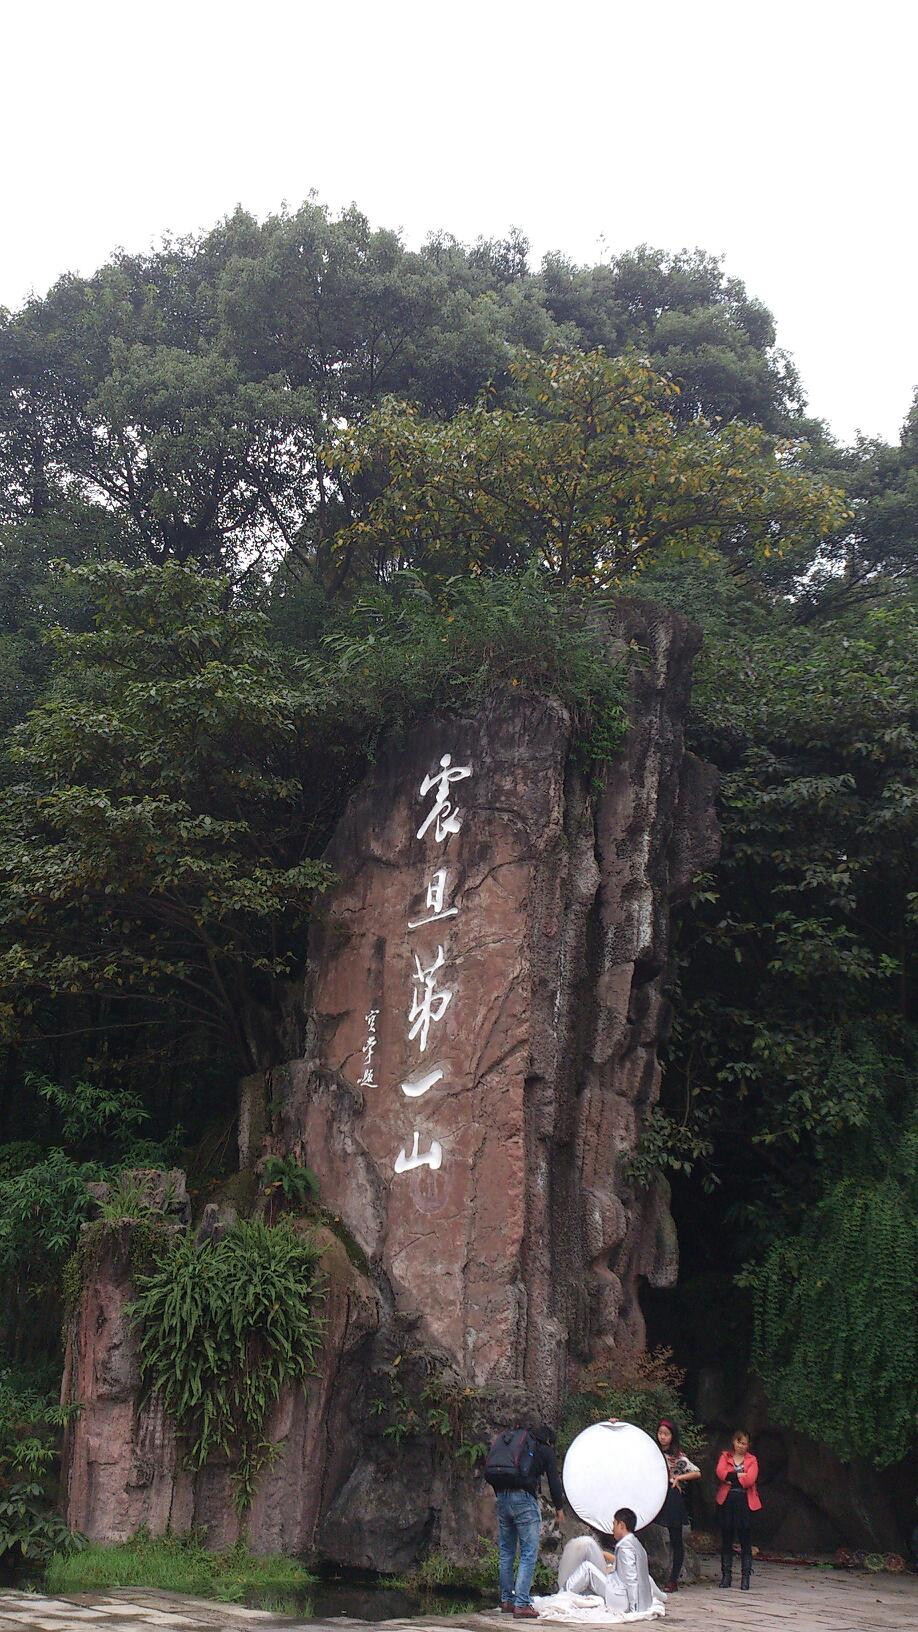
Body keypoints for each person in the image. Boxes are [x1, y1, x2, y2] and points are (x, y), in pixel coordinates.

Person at [486, 1419, 564, 1618]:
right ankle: (521, 1604)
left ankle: (507, 1601)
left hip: (502, 1496)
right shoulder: (545, 1449)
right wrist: (559, 1508)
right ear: (550, 1441)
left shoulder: (516, 1442)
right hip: (524, 1500)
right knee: (529, 1552)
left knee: (506, 1551)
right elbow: (554, 1481)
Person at [560, 1509, 665, 1615]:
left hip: (622, 1600)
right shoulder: (636, 1544)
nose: (612, 1528)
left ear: (621, 1525)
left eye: (614, 1524)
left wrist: (634, 1609)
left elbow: (631, 1579)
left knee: (587, 1568)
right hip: (640, 1599)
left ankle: (562, 1596)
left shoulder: (626, 1547)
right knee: (597, 1573)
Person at [655, 1417, 700, 1592]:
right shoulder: (651, 1451)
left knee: (676, 1539)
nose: (662, 1437)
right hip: (653, 1494)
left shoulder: (678, 1457)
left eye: (666, 1434)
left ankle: (673, 1579)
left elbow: (696, 1472)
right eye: (660, 1433)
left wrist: (679, 1478)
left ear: (672, 1436)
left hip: (671, 1495)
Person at [715, 1428, 761, 1590]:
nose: (742, 1446)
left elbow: (750, 1480)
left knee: (745, 1538)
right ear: (734, 1442)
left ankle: (745, 1576)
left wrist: (732, 1477)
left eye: (745, 1443)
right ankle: (726, 1575)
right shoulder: (725, 1456)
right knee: (726, 1536)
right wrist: (739, 1475)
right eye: (739, 1442)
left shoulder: (752, 1460)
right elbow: (721, 1473)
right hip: (727, 1500)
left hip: (744, 1500)